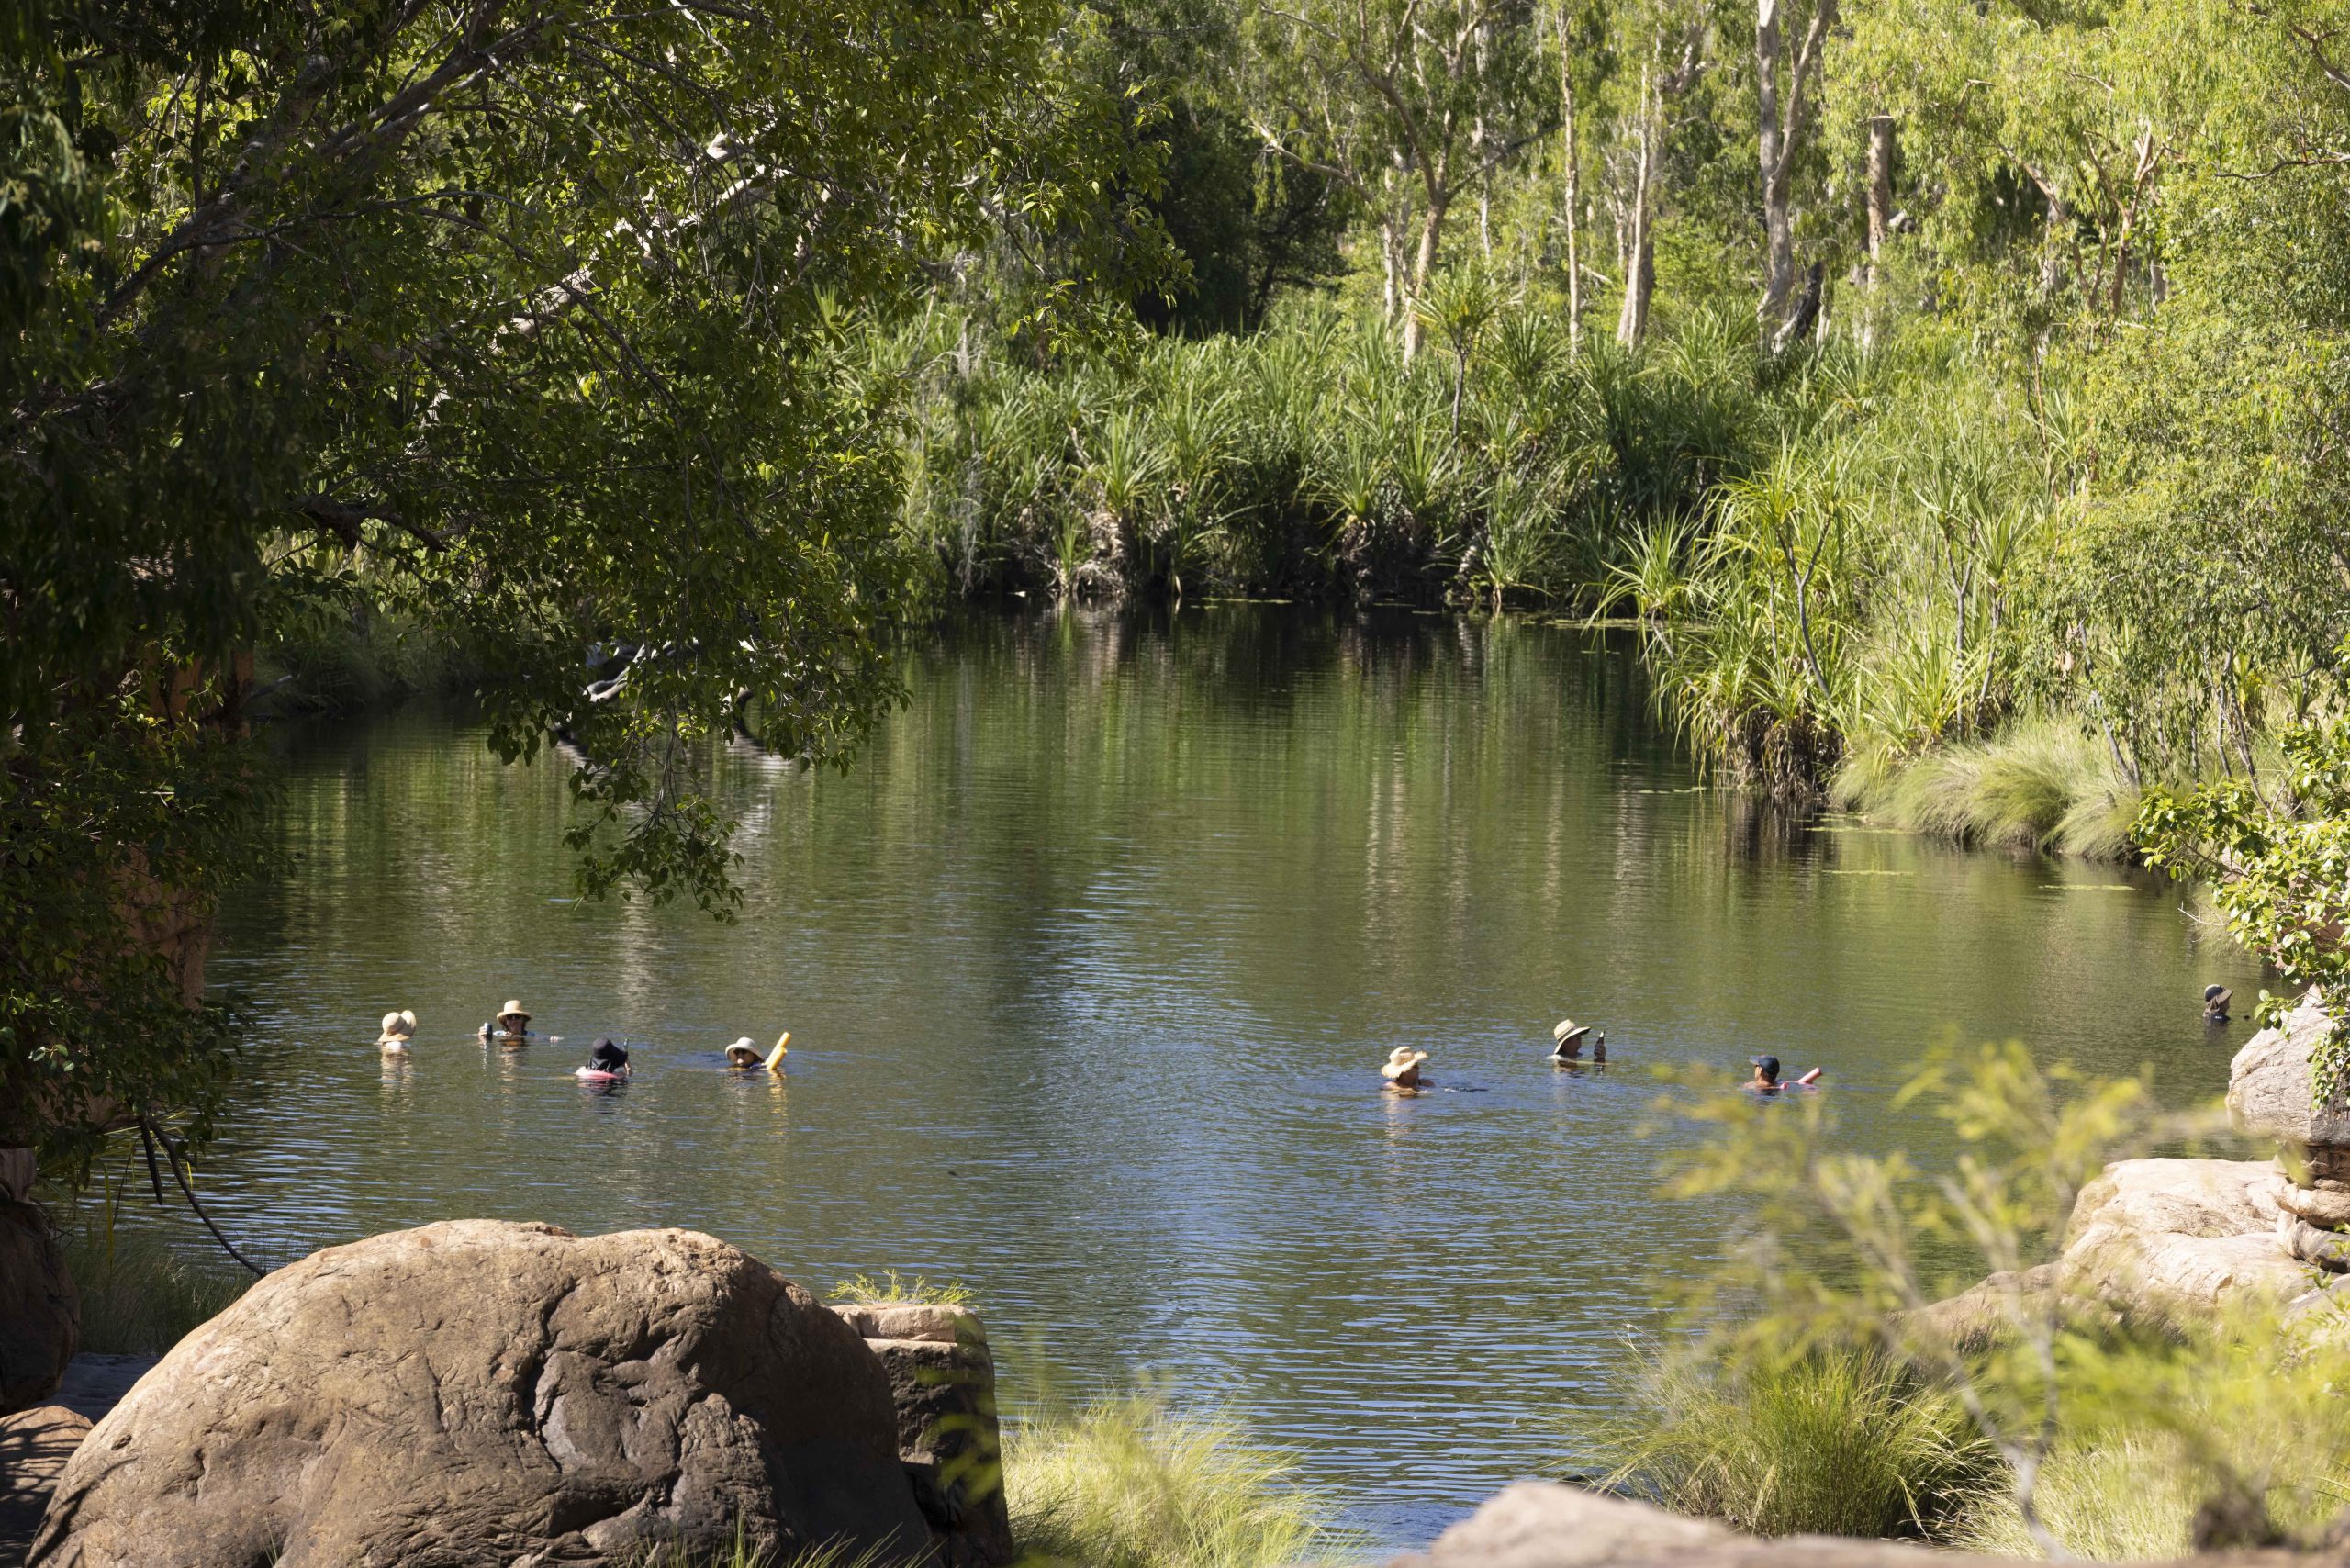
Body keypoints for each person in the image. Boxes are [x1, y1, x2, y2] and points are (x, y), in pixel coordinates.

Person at [1750, 1054, 1820, 1092]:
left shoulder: (1754, 1087)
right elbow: (1798, 1083)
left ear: (1760, 1070)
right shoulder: (1779, 1083)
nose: (1754, 1067)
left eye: (1756, 1066)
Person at [724, 1032, 789, 1071]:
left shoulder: (757, 1066)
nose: (740, 1054)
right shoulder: (735, 1067)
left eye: (744, 1051)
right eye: (737, 1052)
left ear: (753, 1055)